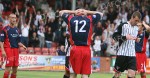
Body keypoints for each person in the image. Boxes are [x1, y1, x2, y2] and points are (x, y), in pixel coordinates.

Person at [60, 9, 103, 78]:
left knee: (73, 74)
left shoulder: (71, 19)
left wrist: (74, 12)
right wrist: (87, 11)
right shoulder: (90, 19)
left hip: (75, 49)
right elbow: (100, 14)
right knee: (85, 74)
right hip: (86, 49)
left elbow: (61, 12)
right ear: (85, 14)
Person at [112, 11, 142, 78]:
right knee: (117, 75)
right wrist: (124, 37)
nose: (136, 22)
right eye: (135, 20)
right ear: (132, 17)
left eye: (138, 21)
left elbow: (133, 38)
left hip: (132, 55)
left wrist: (136, 39)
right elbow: (114, 36)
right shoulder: (123, 25)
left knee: (132, 75)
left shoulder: (136, 28)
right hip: (122, 54)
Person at [0, 14, 26, 78]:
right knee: (8, 68)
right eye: (12, 18)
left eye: (15, 18)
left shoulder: (17, 30)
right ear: (9, 19)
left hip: (16, 50)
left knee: (15, 69)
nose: (14, 19)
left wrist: (23, 45)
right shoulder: (5, 29)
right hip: (9, 50)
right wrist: (3, 51)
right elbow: (1, 41)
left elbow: (18, 42)